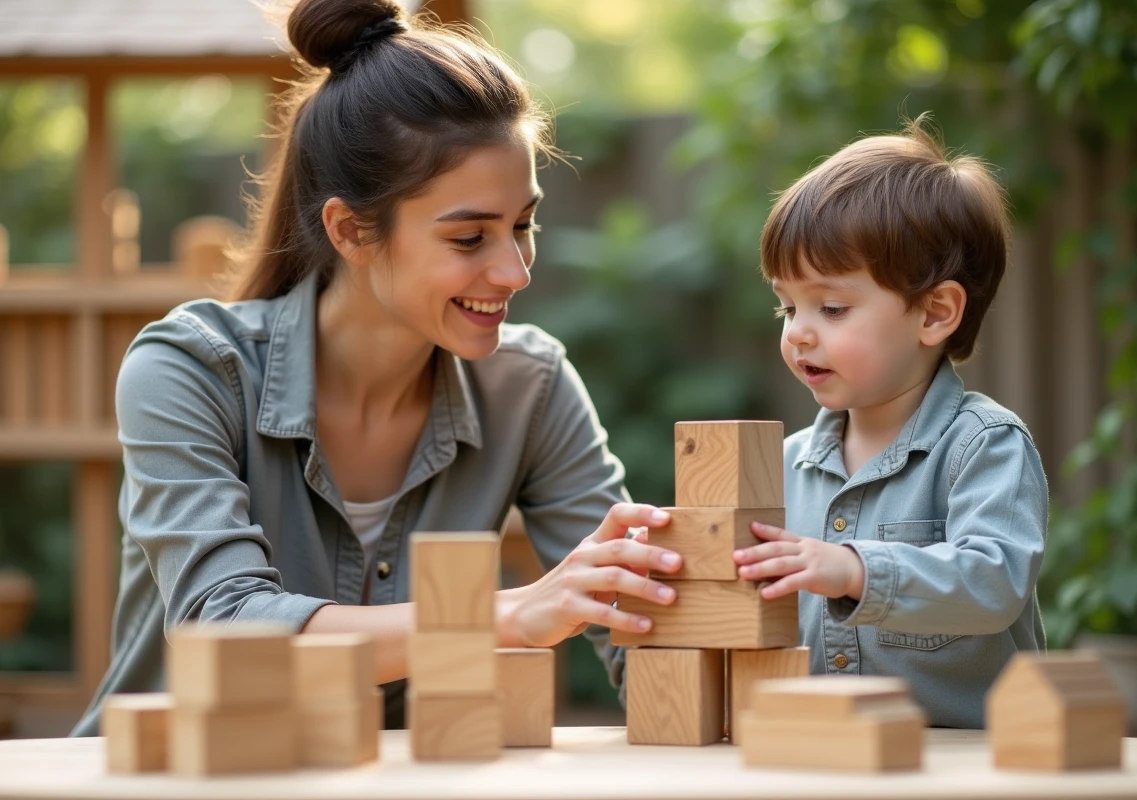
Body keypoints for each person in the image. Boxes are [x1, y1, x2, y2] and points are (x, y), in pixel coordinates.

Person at [72, 0, 682, 737]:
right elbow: (221, 625)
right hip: (168, 778)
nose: (515, 270)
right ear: (352, 230)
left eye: (523, 225)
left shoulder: (532, 387)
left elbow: (633, 623)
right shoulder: (190, 371)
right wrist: (515, 611)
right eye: (468, 238)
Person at [732, 115, 1048, 728]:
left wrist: (855, 569)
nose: (797, 330)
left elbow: (994, 581)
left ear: (935, 313)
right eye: (786, 305)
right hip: (826, 755)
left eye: (830, 307)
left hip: (970, 768)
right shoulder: (783, 463)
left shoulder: (984, 446)